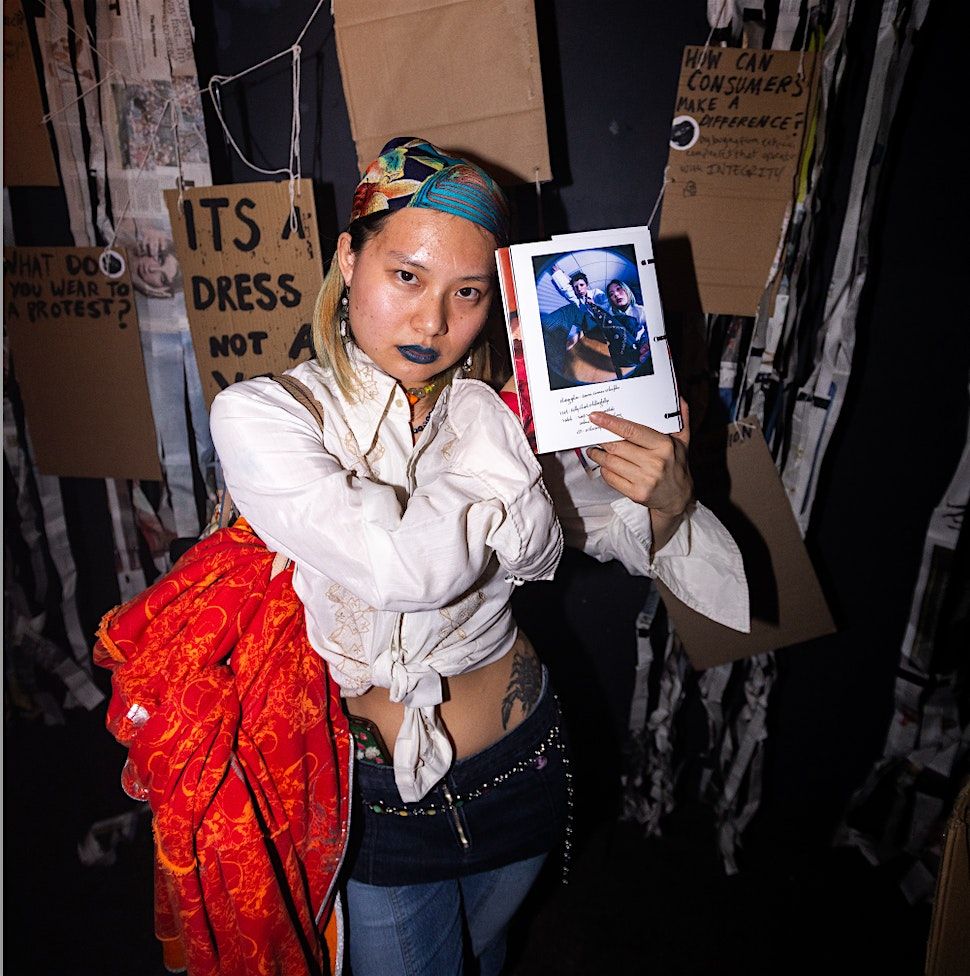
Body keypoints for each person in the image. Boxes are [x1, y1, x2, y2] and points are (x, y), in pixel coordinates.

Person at [209, 137, 749, 975]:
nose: (434, 323)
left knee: (490, 956)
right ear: (348, 260)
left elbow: (635, 544)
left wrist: (668, 496)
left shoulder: (501, 408)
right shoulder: (268, 416)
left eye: (467, 292)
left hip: (525, 761)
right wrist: (497, 426)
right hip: (385, 803)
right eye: (407, 276)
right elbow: (406, 568)